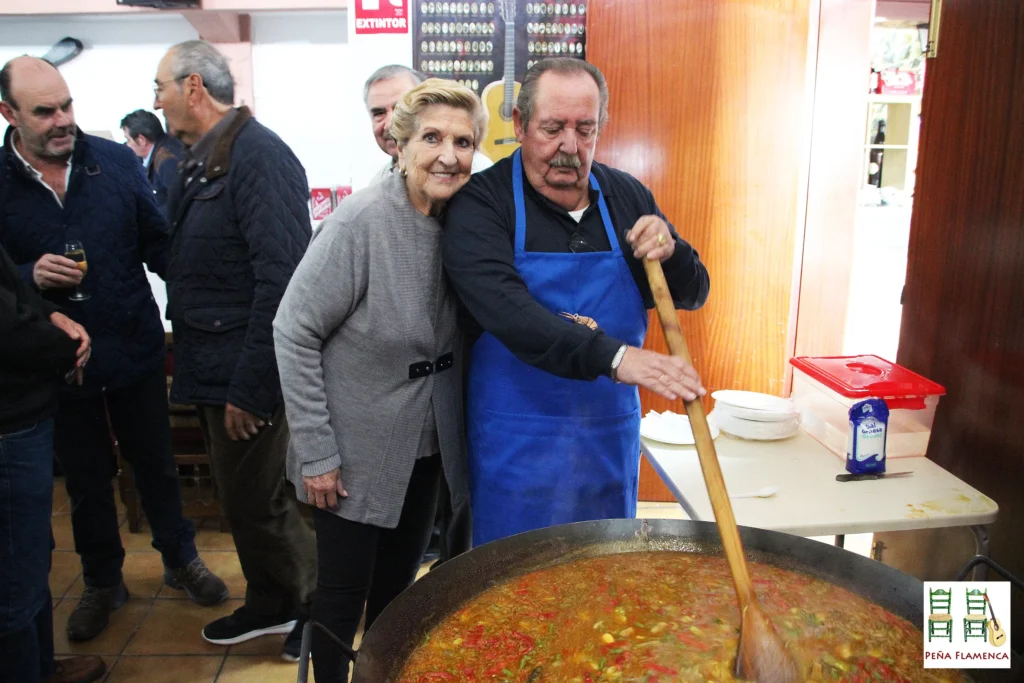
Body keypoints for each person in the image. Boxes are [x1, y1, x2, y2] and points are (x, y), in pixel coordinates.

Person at [0, 55, 227, 644]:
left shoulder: (117, 163)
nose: (61, 120)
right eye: (45, 111)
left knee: (155, 463)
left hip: (133, 344)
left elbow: (158, 244)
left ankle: (180, 559)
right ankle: (103, 580)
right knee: (86, 477)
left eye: (66, 105)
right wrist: (28, 275)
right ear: (9, 114)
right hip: (58, 361)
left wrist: (209, 292)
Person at [442, 58, 711, 547]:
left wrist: (672, 252)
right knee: (510, 591)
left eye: (585, 129)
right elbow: (508, 311)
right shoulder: (484, 203)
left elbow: (693, 293)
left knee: (603, 588)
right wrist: (615, 356)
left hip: (604, 439)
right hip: (515, 442)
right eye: (552, 128)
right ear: (520, 126)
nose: (569, 146)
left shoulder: (626, 196)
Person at [274, 78, 477, 683]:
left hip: (424, 443)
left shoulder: (463, 219)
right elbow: (293, 330)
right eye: (432, 138)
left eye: (463, 142)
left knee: (399, 585)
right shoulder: (360, 221)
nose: (449, 155)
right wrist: (316, 453)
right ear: (399, 142)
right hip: (351, 447)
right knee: (342, 594)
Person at [153, 40, 316, 661]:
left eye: (161, 87)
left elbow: (282, 280)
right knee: (240, 503)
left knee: (266, 502)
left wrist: (253, 386)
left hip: (242, 373)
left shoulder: (259, 156)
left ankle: (317, 610)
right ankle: (272, 602)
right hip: (207, 365)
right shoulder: (201, 157)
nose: (158, 101)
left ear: (194, 87)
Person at [0, 243, 106, 683]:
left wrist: (50, 313)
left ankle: (42, 668)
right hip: (8, 426)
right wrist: (67, 344)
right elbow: (8, 329)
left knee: (30, 557)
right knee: (13, 581)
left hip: (22, 416)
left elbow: (11, 292)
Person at [364, 64, 492, 183]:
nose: (390, 123)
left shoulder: (481, 176)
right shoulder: (377, 186)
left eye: (400, 108)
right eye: (379, 113)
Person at [120, 109, 185, 216]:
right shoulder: (159, 151)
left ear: (141, 140)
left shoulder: (167, 162)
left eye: (128, 140)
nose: (127, 145)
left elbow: (178, 205)